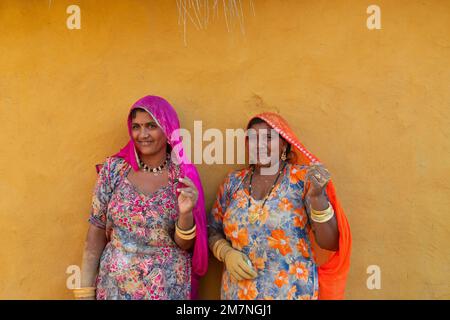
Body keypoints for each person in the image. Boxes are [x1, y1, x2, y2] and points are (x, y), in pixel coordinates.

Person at [73, 95, 208, 300]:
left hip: (166, 288)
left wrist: (186, 212)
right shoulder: (114, 169)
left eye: (151, 126)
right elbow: (96, 230)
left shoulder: (182, 175)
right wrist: (84, 292)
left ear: (168, 128)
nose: (142, 134)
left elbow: (185, 244)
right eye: (136, 126)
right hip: (115, 287)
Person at [208, 112, 351, 300]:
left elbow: (330, 243)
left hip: (293, 291)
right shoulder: (232, 182)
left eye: (268, 138)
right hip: (238, 294)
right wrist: (226, 253)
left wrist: (317, 197)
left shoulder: (302, 180)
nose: (259, 144)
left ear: (284, 143)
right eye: (252, 138)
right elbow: (212, 229)